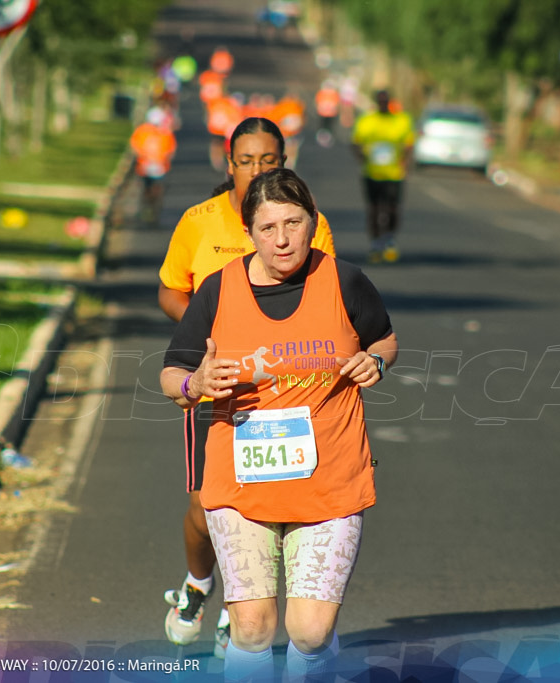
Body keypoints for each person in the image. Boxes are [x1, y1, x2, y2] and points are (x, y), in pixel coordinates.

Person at [160, 168, 398, 681]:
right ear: (249, 233)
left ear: (313, 224)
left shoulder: (344, 280)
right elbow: (172, 373)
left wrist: (375, 362)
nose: (282, 238)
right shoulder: (218, 291)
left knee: (310, 632)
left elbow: (383, 338)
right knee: (251, 627)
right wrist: (194, 383)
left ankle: (317, 655)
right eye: (268, 228)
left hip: (329, 483)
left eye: (294, 223)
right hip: (242, 486)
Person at [157, 118, 337, 658]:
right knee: (205, 508)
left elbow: (329, 296)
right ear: (228, 162)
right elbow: (170, 291)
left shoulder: (310, 223)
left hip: (289, 393)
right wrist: (207, 332)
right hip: (217, 388)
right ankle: (198, 585)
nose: (257, 169)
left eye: (270, 160)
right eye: (246, 160)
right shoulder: (199, 222)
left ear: (285, 162)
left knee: (276, 506)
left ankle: (243, 611)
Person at [351, 89, 415, 263]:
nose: (383, 105)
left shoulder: (401, 120)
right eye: (380, 101)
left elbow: (409, 143)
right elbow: (356, 142)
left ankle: (389, 238)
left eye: (385, 101)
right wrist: (362, 158)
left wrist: (405, 161)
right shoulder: (366, 121)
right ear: (375, 103)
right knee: (374, 208)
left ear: (390, 102)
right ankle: (376, 243)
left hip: (394, 173)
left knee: (393, 208)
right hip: (372, 172)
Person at [129, 107, 177, 225]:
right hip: (145, 166)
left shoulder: (165, 133)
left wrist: (165, 159)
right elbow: (134, 145)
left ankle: (155, 211)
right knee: (147, 189)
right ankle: (146, 209)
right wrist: (142, 157)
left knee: (158, 190)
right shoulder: (142, 131)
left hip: (160, 167)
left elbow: (171, 149)